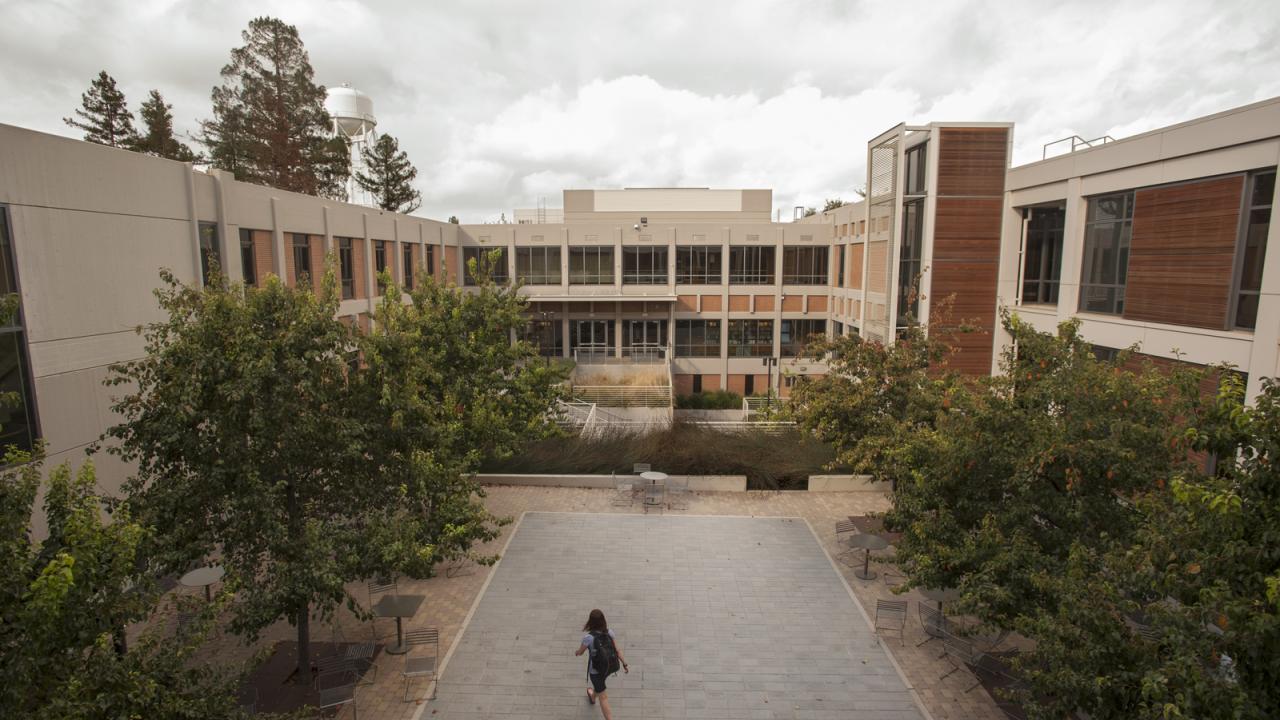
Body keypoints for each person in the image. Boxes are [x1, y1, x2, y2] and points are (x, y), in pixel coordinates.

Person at [575, 608, 628, 718]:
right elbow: (617, 650)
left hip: (596, 671)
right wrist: (624, 663)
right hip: (610, 667)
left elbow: (580, 652)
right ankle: (593, 696)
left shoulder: (588, 638)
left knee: (603, 697)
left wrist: (577, 652)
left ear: (590, 622)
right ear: (603, 620)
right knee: (599, 686)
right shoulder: (609, 632)